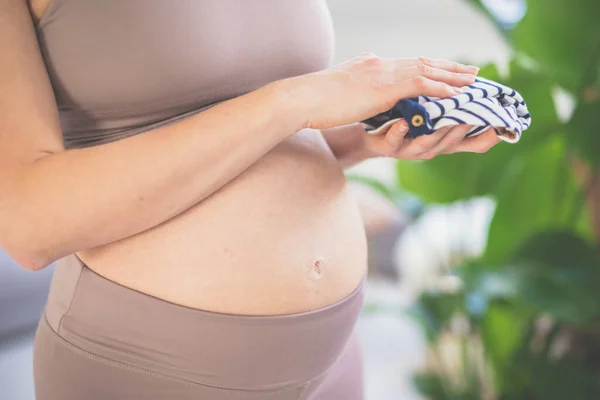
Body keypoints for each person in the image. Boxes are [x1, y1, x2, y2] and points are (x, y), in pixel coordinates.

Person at [0, 0, 501, 398]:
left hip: (334, 356)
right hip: (156, 365)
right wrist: (298, 100)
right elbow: (30, 225)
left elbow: (240, 120)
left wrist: (358, 135)